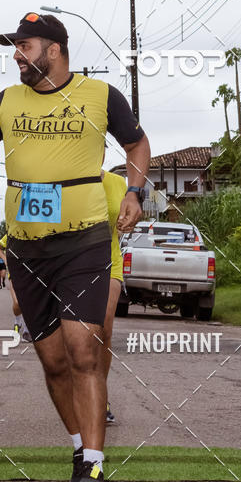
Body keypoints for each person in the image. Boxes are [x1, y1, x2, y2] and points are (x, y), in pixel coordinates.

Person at [0, 11, 150, 482]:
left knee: (83, 349)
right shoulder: (8, 101)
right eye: (15, 46)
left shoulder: (101, 96)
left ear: (53, 49)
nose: (16, 54)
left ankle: (93, 466)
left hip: (85, 242)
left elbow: (136, 143)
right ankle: (78, 447)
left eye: (24, 46)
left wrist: (135, 192)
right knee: (52, 361)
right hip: (27, 249)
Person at [100, 167, 128, 425]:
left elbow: (126, 219)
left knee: (103, 328)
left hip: (109, 263)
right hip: (68, 265)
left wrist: (127, 220)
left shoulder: (118, 182)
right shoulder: (60, 179)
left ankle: (99, 397)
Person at [0, 233, 32, 342]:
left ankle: (26, 331)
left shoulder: (37, 233)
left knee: (29, 302)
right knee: (18, 303)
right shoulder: (12, 234)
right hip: (15, 273)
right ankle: (17, 321)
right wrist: (5, 259)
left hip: (32, 273)